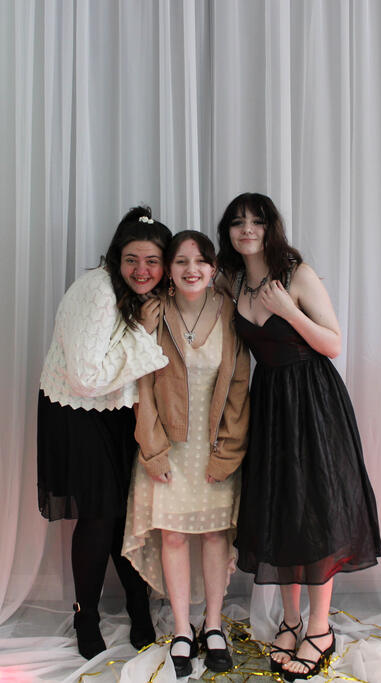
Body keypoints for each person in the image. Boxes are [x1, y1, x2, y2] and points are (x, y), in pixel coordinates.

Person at [216, 193, 381, 681]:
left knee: (317, 511)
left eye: (257, 221)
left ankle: (320, 629)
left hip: (313, 401)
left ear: (272, 227)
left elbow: (333, 344)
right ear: (228, 232)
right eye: (238, 222)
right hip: (268, 403)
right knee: (280, 510)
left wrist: (288, 310)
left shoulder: (297, 275)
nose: (247, 229)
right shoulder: (231, 281)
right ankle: (289, 622)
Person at [37, 206, 172, 660]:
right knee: (98, 516)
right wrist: (144, 332)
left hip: (117, 411)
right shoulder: (97, 290)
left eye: (152, 261)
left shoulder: (146, 292)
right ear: (117, 257)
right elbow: (86, 378)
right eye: (132, 259)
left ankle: (138, 604)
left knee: (123, 514)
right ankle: (86, 615)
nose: (142, 270)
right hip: (78, 411)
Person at [122, 231, 250, 677]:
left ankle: (213, 625)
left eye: (200, 261)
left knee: (215, 536)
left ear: (213, 268)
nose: (191, 269)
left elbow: (239, 386)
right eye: (181, 261)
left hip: (214, 448)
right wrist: (152, 450)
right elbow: (142, 387)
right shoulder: (155, 314)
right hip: (167, 446)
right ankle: (181, 629)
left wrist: (228, 453)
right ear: (169, 271)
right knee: (173, 537)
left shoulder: (231, 312)